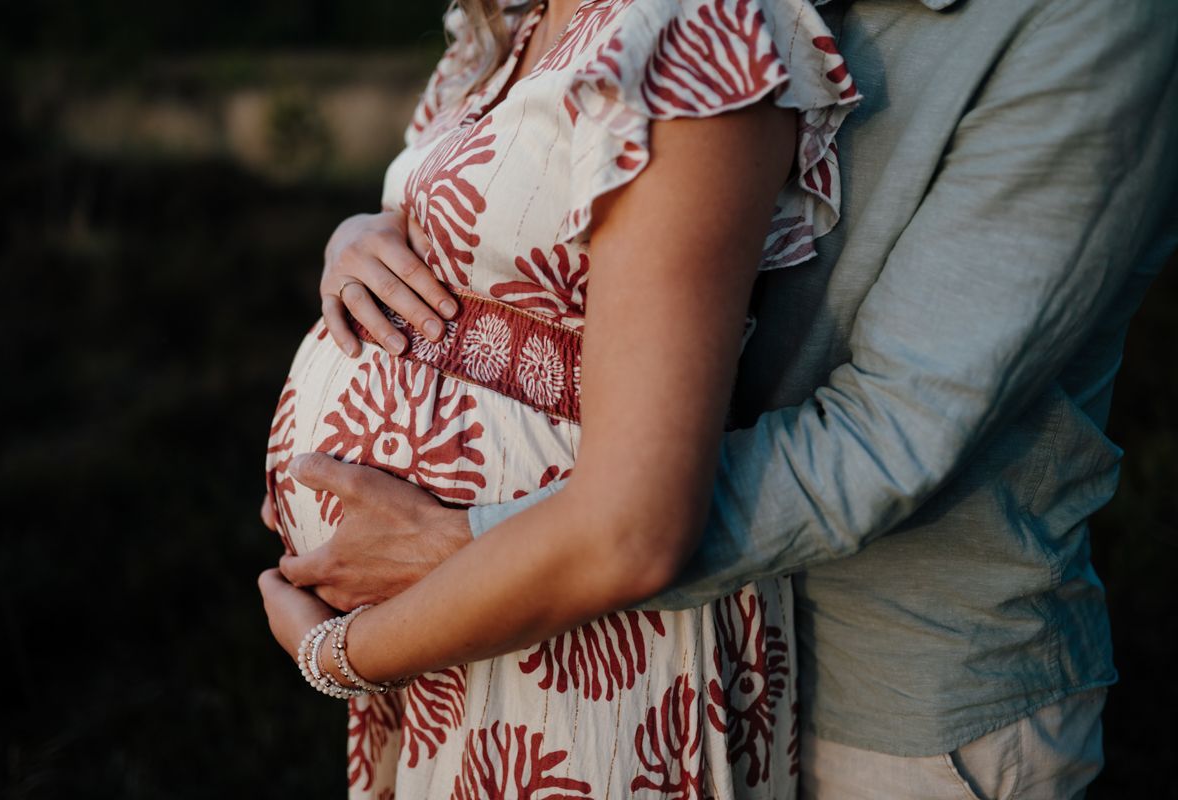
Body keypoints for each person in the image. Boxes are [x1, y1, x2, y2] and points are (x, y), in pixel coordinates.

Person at [266, 0, 1178, 797]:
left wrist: (483, 543)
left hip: (893, 696)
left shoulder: (1087, 21)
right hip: (561, 629)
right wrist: (373, 233)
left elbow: (890, 434)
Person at [259, 0, 860, 797]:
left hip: (582, 641)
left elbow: (633, 533)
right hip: (451, 637)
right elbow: (463, 220)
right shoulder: (508, 27)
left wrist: (342, 654)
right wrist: (355, 236)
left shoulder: (688, 29)